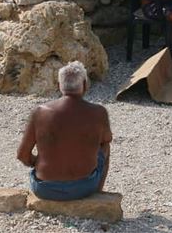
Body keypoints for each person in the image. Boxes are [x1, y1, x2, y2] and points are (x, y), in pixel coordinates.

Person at [17, 62, 112, 201]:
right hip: (84, 187)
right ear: (85, 85)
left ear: (59, 86)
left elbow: (22, 155)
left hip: (45, 189)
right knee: (105, 146)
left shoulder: (40, 112)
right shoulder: (98, 112)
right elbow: (106, 139)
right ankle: (97, 192)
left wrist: (37, 162)